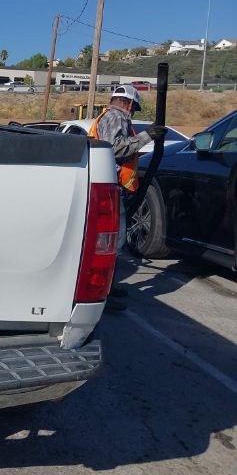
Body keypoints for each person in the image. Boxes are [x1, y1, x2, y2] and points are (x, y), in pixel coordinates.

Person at [87, 85, 166, 311]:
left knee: (109, 243)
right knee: (113, 243)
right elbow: (117, 149)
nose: (134, 112)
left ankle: (106, 289)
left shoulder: (108, 117)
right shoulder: (116, 117)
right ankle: (102, 293)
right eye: (135, 108)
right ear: (130, 104)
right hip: (108, 187)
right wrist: (147, 135)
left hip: (108, 185)